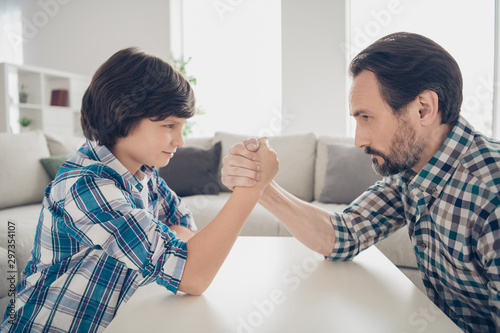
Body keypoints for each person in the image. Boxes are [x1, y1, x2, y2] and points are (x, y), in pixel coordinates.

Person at [221, 32, 500, 333]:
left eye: (366, 117)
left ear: (423, 109)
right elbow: (343, 236)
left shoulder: (490, 194)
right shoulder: (413, 174)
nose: (358, 140)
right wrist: (260, 184)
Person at [1, 47, 278, 333]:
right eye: (170, 125)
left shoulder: (145, 174)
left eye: (182, 126)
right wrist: (250, 189)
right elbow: (193, 274)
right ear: (123, 114)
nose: (180, 140)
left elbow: (186, 231)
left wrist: (176, 251)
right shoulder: (85, 186)